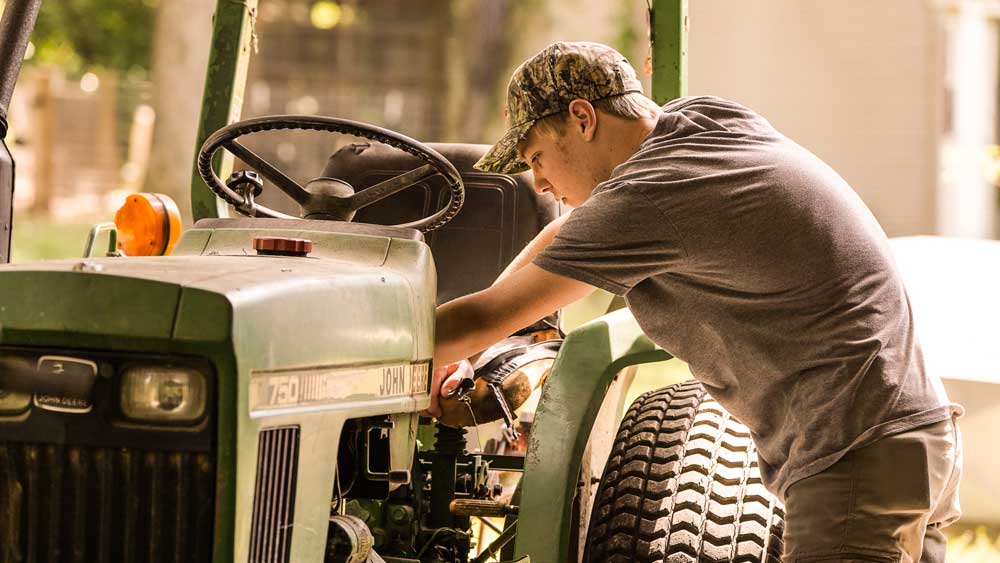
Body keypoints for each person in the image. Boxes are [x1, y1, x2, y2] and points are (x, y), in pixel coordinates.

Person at [427, 41, 963, 563]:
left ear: (583, 117)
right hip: (914, 436)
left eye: (537, 156)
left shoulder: (650, 199)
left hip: (856, 459)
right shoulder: (704, 123)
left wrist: (423, 350)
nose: (539, 183)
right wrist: (475, 340)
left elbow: (482, 317)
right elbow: (572, 232)